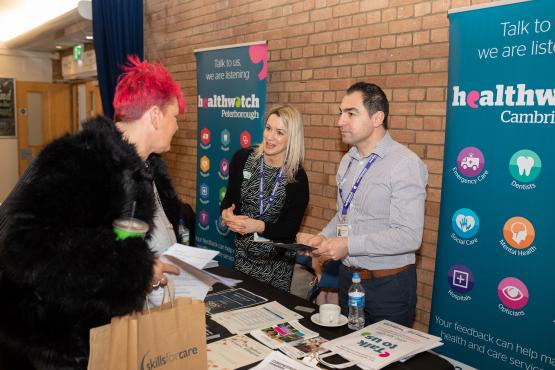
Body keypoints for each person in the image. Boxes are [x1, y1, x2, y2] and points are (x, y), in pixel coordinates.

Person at [0, 55, 185, 369]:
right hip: (54, 343)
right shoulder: (82, 161)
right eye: (174, 116)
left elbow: (112, 241)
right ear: (154, 116)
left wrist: (141, 270)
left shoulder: (140, 170)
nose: (177, 126)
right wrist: (136, 270)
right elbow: (24, 246)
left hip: (97, 335)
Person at [298, 82, 428, 327]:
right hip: (349, 280)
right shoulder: (348, 160)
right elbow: (345, 214)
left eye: (351, 113)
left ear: (377, 117)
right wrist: (323, 238)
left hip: (388, 287)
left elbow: (409, 236)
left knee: (387, 363)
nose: (340, 121)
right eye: (340, 112)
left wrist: (348, 245)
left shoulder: (405, 164)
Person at [221, 104, 309, 291]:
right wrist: (226, 213)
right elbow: (229, 199)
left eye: (279, 132)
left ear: (291, 138)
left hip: (277, 265)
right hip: (243, 258)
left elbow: (289, 229)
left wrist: (258, 226)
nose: (270, 137)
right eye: (268, 128)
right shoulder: (243, 158)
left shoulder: (297, 177)